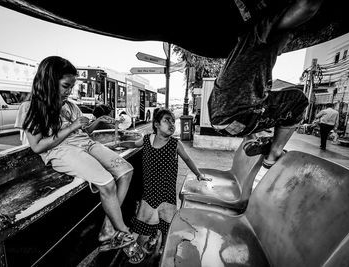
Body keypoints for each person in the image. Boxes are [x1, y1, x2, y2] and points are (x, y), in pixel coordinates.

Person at [14, 56, 135, 251]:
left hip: (86, 144)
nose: (69, 91)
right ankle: (122, 230)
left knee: (126, 170)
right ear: (49, 82)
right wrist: (71, 127)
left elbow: (83, 133)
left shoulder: (70, 106)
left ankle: (109, 227)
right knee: (107, 182)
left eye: (71, 87)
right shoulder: (30, 108)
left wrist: (95, 122)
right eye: (65, 86)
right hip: (61, 151)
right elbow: (37, 146)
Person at [208, 0, 324, 169]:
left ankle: (251, 140)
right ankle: (274, 154)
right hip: (238, 117)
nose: (285, 46)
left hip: (220, 121)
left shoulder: (243, 49)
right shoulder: (259, 34)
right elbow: (308, 6)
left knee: (262, 98)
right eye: (289, 38)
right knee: (298, 99)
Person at [116, 108, 211, 264]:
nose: (172, 124)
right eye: (167, 120)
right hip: (149, 192)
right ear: (156, 124)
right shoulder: (147, 140)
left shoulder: (175, 143)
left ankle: (164, 248)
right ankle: (142, 245)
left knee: (166, 222)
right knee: (144, 221)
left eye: (173, 121)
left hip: (166, 194)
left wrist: (199, 174)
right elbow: (133, 143)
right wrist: (120, 142)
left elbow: (187, 159)